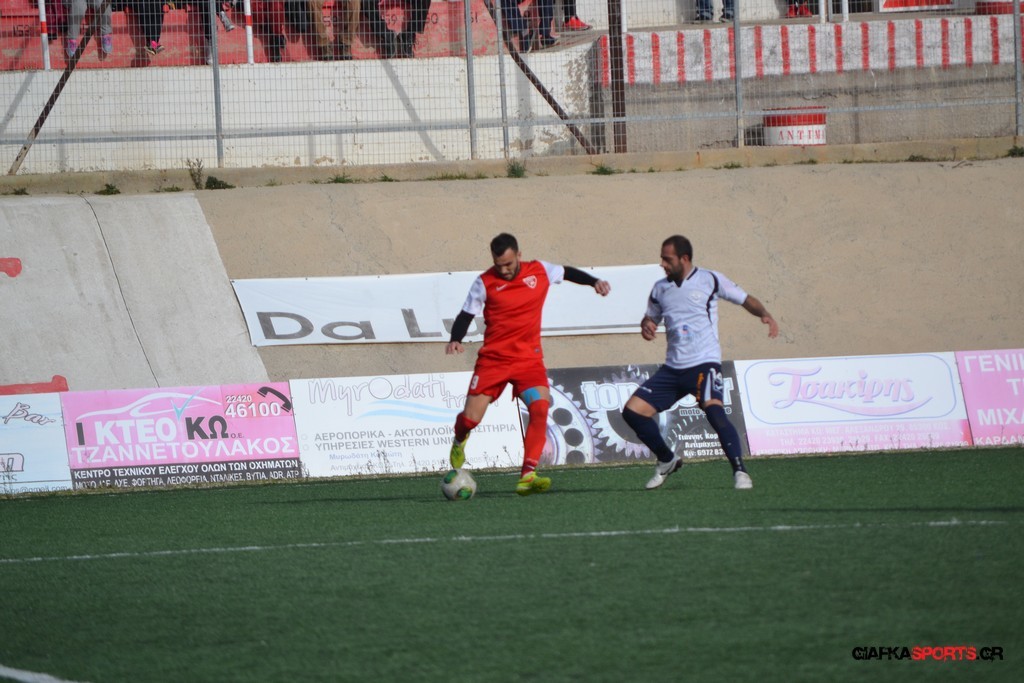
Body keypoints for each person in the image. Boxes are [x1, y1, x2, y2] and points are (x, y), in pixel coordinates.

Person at [446, 233, 611, 496]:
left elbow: (567, 272)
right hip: (494, 361)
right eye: (499, 265)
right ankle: (459, 439)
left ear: (519, 255)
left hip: (528, 360)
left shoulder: (540, 270)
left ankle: (528, 475)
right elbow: (466, 314)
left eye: (509, 264)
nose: (504, 270)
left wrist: (594, 282)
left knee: (540, 408)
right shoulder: (484, 282)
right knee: (470, 419)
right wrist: (456, 338)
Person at [622, 235, 778, 491]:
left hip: (704, 363)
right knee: (632, 412)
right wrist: (647, 325)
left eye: (667, 259)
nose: (662, 264)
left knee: (714, 411)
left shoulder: (710, 279)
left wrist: (765, 314)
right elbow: (650, 317)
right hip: (673, 368)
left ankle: (740, 471)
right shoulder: (660, 288)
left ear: (684, 258)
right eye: (662, 259)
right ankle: (667, 459)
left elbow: (744, 298)